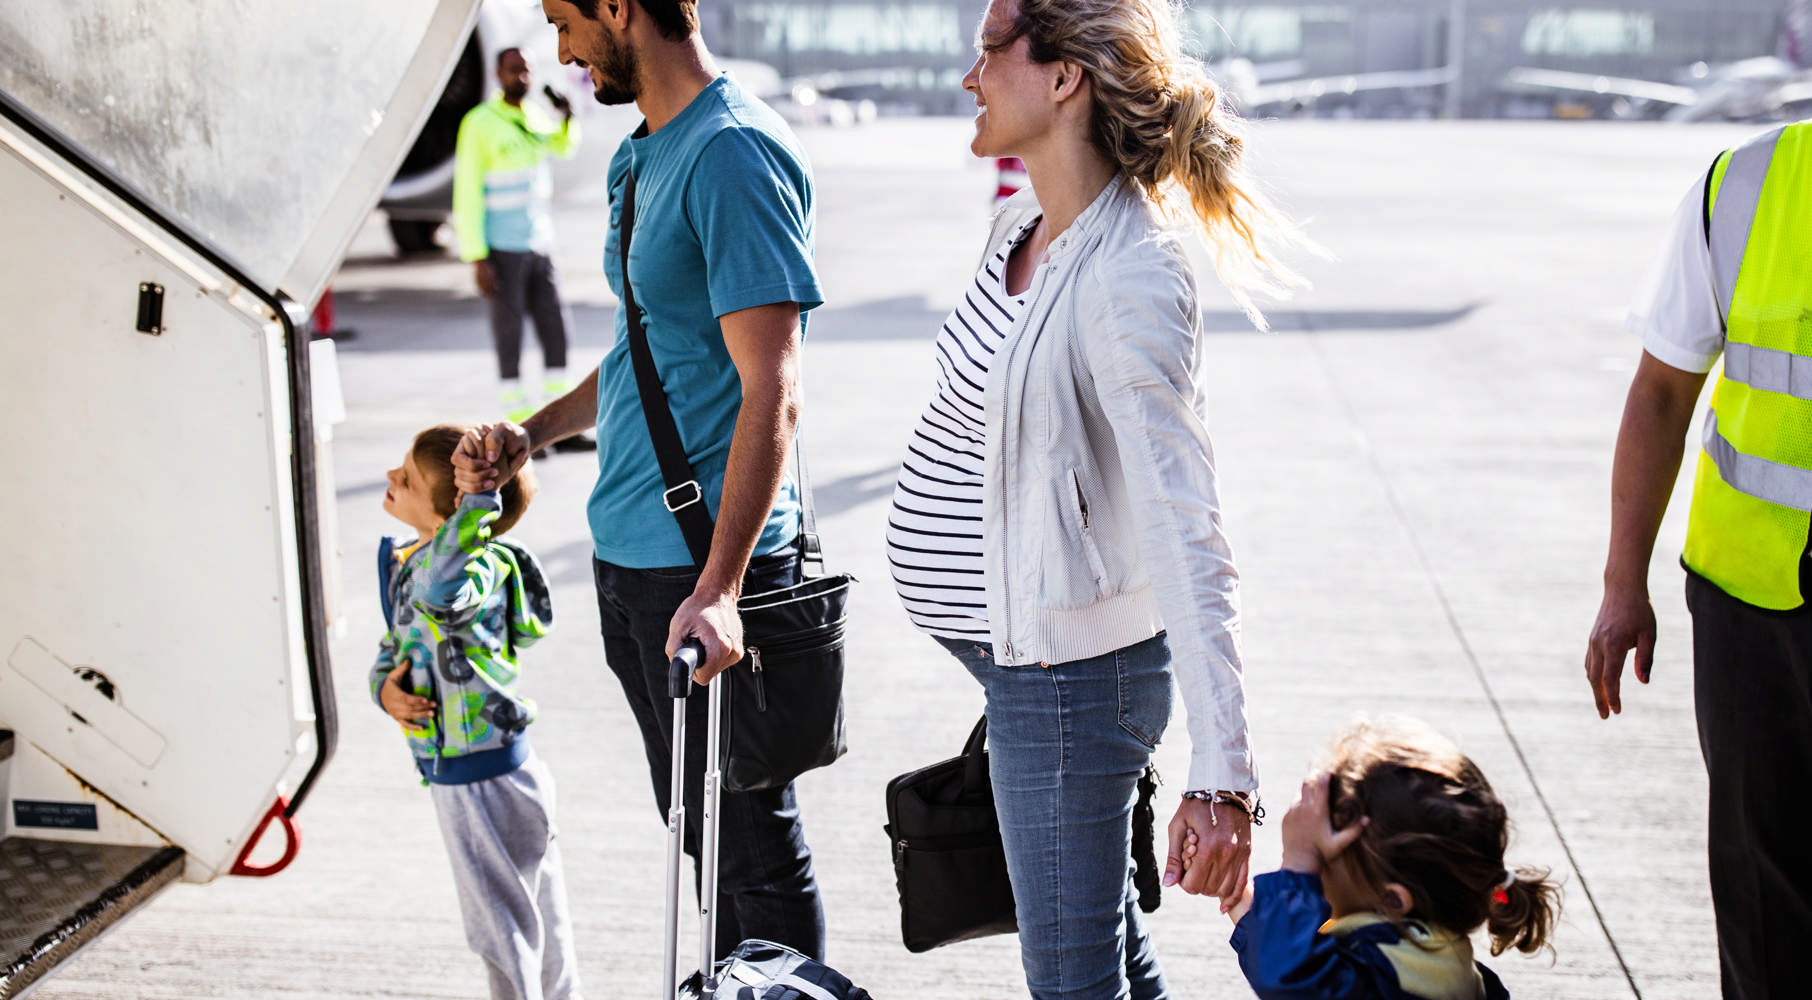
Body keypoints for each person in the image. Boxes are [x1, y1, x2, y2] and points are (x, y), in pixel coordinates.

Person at [884, 0, 1306, 994]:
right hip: (1023, 669)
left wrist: (1224, 771)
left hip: (1070, 687)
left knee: (1072, 983)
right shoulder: (1018, 227)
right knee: (1111, 953)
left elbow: (1185, 528)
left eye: (990, 49)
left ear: (1064, 75)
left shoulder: (1130, 274)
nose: (969, 74)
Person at [452, 0, 828, 961]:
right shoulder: (641, 152)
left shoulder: (732, 153)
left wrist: (722, 590)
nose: (560, 49)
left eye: (564, 21)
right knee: (704, 840)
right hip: (631, 564)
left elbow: (772, 389)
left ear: (621, 8)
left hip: (701, 572)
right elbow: (641, 350)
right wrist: (530, 433)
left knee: (752, 849)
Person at [1584, 120, 1812, 999]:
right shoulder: (1748, 184)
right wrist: (1620, 585)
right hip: (1751, 604)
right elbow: (1662, 391)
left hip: (1751, 597)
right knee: (1765, 892)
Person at [370, 424, 579, 1000]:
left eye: (407, 477)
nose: (391, 477)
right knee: (530, 915)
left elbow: (441, 595)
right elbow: (396, 649)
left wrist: (476, 505)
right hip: (478, 772)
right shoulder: (417, 561)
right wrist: (384, 692)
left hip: (483, 779)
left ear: (456, 513)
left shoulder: (472, 568)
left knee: (502, 930)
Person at [1226, 717, 1559, 1000]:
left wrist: (1298, 863)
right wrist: (1255, 919)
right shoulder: (1436, 964)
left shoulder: (1385, 974)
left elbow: (1291, 976)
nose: (1314, 871)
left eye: (1323, 859)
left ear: (1392, 899)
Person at [453, 46, 591, 450]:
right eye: (514, 71)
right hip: (501, 249)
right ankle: (519, 432)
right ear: (498, 74)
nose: (523, 78)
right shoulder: (480, 123)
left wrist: (568, 116)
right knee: (510, 337)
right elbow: (467, 194)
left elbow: (563, 148)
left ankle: (558, 427)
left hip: (539, 245)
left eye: (527, 71)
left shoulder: (533, 117)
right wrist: (477, 255)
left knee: (556, 331)